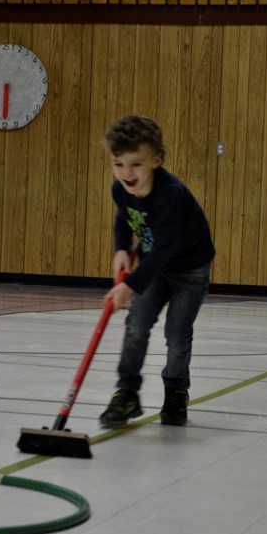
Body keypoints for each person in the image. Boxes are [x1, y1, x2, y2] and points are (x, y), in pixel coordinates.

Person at [100, 114, 215, 427]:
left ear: (156, 160)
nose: (127, 173)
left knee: (177, 334)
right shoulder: (120, 188)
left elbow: (164, 249)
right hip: (155, 267)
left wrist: (130, 285)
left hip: (189, 270)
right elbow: (124, 218)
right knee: (135, 326)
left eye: (136, 164)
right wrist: (121, 248)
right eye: (118, 164)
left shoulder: (170, 196)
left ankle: (176, 392)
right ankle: (126, 394)